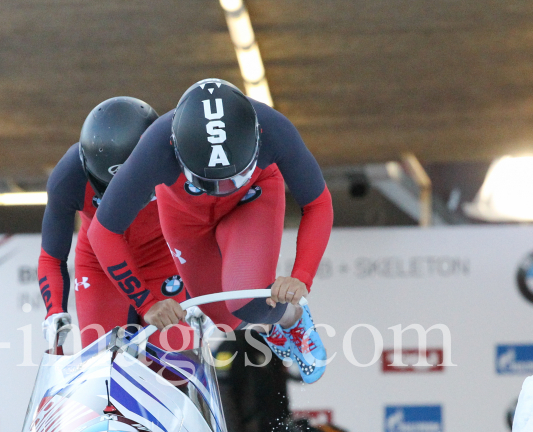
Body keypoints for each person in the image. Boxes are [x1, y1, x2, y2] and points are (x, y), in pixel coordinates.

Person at [86, 79, 334, 382]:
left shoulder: (274, 129)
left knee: (246, 303)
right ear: (177, 153)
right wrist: (146, 302)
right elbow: (102, 231)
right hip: (185, 216)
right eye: (210, 182)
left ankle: (292, 319)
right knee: (223, 319)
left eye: (232, 177)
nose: (220, 191)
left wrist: (301, 276)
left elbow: (318, 203)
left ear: (256, 141)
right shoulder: (155, 147)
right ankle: (272, 323)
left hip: (251, 200)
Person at [38, 96, 187, 349]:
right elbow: (51, 257)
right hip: (99, 265)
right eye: (107, 190)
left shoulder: (178, 161)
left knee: (174, 370)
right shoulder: (68, 178)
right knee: (101, 369)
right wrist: (54, 312)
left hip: (162, 258)